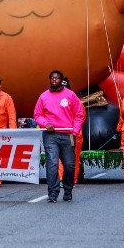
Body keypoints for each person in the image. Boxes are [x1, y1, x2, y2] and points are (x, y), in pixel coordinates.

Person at [33, 70, 84, 203]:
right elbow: (37, 115)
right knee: (52, 163)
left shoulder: (70, 95)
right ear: (49, 79)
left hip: (67, 134)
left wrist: (74, 132)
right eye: (52, 78)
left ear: (61, 80)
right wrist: (45, 123)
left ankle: (67, 190)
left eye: (57, 78)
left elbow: (79, 115)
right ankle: (53, 193)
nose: (54, 80)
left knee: (69, 165)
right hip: (51, 135)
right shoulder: (43, 96)